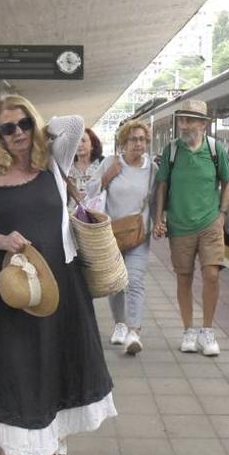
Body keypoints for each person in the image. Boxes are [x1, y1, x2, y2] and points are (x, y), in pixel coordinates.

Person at [0, 94, 116, 455]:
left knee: (57, 359)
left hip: (61, 280)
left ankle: (55, 434)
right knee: (13, 367)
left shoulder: (53, 160)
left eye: (23, 124)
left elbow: (75, 121)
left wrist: (39, 131)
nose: (17, 134)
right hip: (9, 289)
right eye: (7, 129)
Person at [152, 99, 229, 357]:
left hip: (210, 223)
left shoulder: (215, 149)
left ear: (203, 125)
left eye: (189, 121)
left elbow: (228, 182)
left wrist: (222, 213)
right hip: (179, 224)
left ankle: (207, 331)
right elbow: (162, 185)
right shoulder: (172, 151)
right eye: (181, 120)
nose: (183, 125)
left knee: (212, 274)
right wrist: (158, 219)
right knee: (184, 278)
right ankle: (188, 330)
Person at [100, 119, 155, 355]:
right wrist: (107, 177)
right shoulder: (110, 163)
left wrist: (159, 222)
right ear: (123, 142)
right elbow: (91, 193)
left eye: (142, 139)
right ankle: (120, 324)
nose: (138, 143)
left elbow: (156, 198)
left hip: (139, 234)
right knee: (115, 283)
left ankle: (134, 331)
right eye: (133, 139)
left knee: (135, 280)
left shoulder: (152, 169)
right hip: (111, 234)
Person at [67, 127, 105, 208]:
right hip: (73, 216)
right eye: (77, 141)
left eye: (83, 141)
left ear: (92, 146)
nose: (79, 144)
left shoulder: (102, 165)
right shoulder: (67, 168)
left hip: (98, 214)